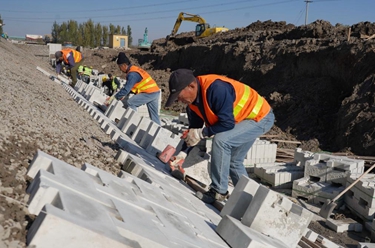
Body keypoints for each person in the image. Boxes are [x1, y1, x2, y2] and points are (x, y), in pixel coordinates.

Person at [165, 69, 275, 204]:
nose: (180, 100)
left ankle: (218, 191)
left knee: (221, 141)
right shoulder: (192, 106)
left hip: (259, 116)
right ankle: (249, 201)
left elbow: (226, 124)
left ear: (191, 86)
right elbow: (193, 132)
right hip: (242, 119)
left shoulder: (216, 89)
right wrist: (182, 153)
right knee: (234, 161)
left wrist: (202, 133)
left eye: (180, 96)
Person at [114, 52, 161, 125]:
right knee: (154, 117)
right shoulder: (135, 69)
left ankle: (133, 123)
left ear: (124, 65)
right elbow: (132, 88)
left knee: (131, 102)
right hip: (155, 91)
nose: (120, 69)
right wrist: (123, 94)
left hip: (149, 93)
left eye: (120, 67)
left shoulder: (132, 74)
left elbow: (126, 89)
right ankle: (158, 132)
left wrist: (115, 98)